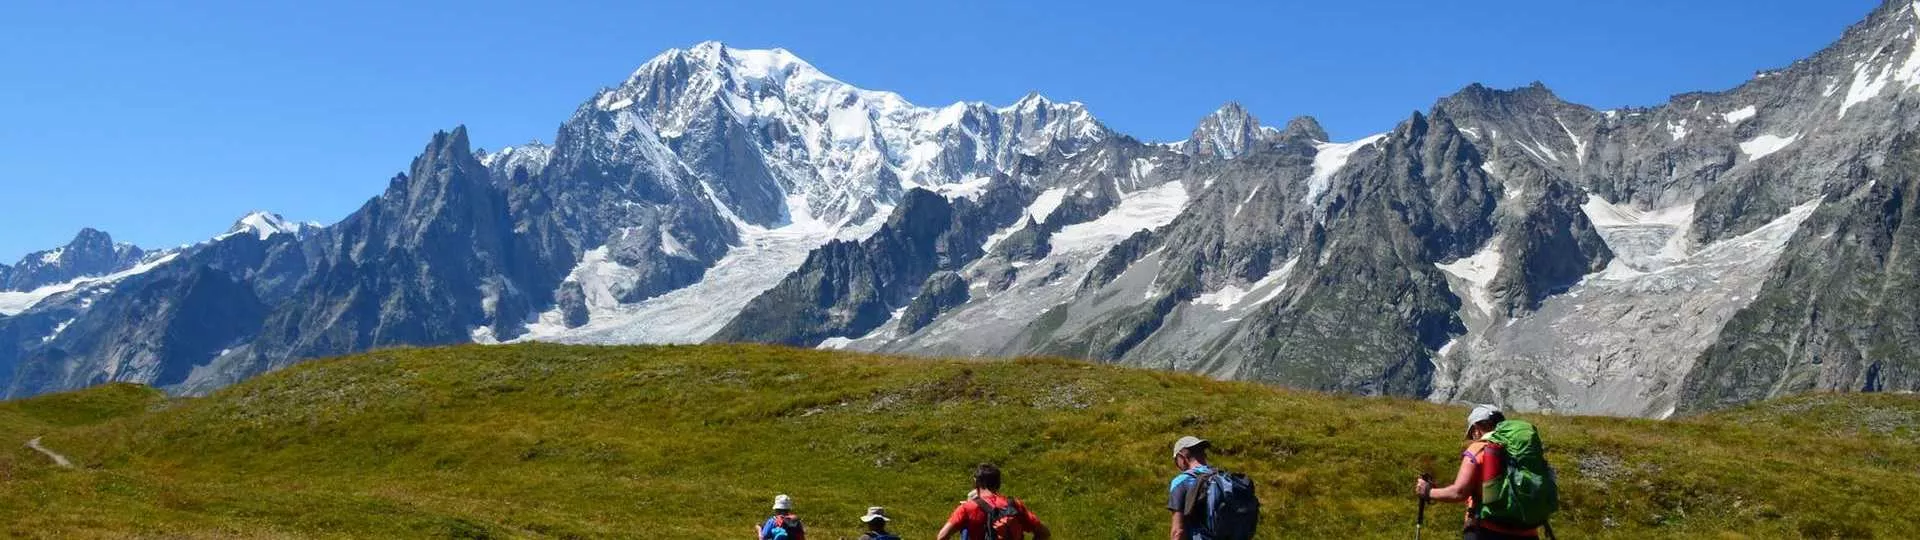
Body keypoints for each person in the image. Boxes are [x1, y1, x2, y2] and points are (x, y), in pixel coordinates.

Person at [1414, 405, 1541, 540]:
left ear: (1476, 428)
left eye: (1472, 433)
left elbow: (1459, 493)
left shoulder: (1479, 448)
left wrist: (1427, 491)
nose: (1473, 437)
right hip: (1528, 532)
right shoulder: (1523, 449)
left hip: (1488, 531)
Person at [936, 463, 1051, 540]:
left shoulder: (967, 508)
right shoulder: (1014, 505)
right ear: (999, 484)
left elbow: (942, 537)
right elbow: (1044, 533)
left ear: (975, 482)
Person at [1168, 436, 1215, 540]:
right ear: (1204, 455)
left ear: (1182, 458)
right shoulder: (1222, 478)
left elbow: (1178, 532)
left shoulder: (1181, 482)